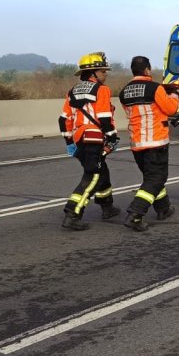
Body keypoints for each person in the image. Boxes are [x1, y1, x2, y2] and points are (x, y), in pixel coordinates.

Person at [58, 52, 121, 231]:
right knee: (93, 175)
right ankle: (72, 214)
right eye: (102, 71)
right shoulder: (102, 89)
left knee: (103, 172)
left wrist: (69, 142)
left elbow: (64, 120)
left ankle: (107, 207)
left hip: (80, 139)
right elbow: (104, 117)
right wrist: (112, 137)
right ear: (93, 73)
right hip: (94, 138)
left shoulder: (72, 91)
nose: (105, 74)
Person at [118, 56, 179, 231]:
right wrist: (175, 95)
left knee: (151, 178)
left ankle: (163, 208)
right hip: (155, 142)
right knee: (156, 178)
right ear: (147, 70)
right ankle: (135, 214)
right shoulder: (155, 88)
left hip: (137, 144)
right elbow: (170, 109)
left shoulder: (124, 92)